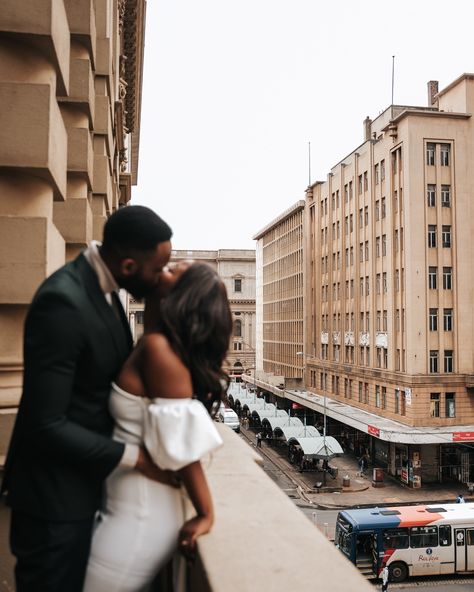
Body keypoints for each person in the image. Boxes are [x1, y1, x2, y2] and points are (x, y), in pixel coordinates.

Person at [2, 206, 175, 592]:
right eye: (158, 268)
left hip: (84, 492)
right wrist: (138, 460)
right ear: (128, 265)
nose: (162, 276)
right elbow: (46, 424)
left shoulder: (108, 289)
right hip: (53, 505)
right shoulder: (62, 303)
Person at [83, 262, 233, 591]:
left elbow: (184, 449)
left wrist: (206, 513)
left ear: (183, 295)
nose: (163, 267)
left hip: (139, 518)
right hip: (129, 505)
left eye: (173, 270)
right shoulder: (155, 341)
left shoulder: (159, 351)